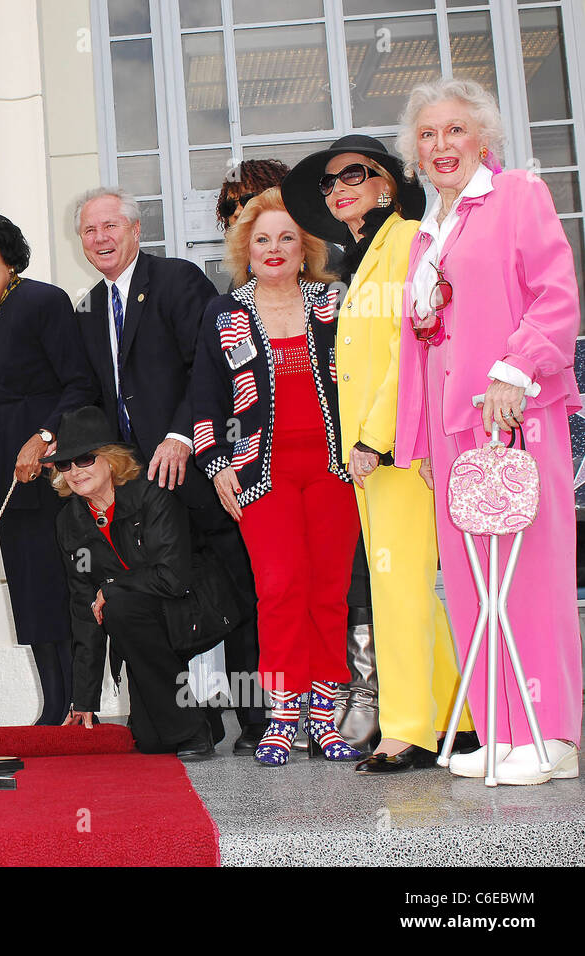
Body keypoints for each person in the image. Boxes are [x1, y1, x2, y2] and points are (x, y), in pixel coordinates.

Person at [394, 79, 582, 785]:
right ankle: (504, 730)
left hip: (515, 414)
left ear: (484, 140)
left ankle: (553, 732)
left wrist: (516, 369)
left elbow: (557, 295)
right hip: (454, 432)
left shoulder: (518, 197)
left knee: (531, 574)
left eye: (454, 131)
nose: (441, 146)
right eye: (427, 134)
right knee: (474, 582)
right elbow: (418, 344)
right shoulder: (427, 230)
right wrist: (417, 442)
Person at [283, 135, 477, 773]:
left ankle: (409, 732)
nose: (339, 188)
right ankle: (458, 720)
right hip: (373, 451)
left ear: (387, 183)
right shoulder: (358, 255)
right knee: (406, 586)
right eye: (329, 183)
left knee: (395, 589)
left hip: (395, 447)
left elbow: (411, 349)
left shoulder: (408, 241)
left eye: (354, 175)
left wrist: (375, 436)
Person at [73, 186, 266, 753]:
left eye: (111, 226)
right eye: (89, 230)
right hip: (138, 486)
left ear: (136, 231)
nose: (101, 238)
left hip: (200, 471)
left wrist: (184, 434)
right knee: (155, 597)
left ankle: (255, 723)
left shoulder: (177, 281)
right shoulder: (87, 307)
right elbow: (92, 395)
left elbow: (210, 369)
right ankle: (187, 722)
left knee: (233, 594)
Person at [190, 187, 361, 767]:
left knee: (329, 592)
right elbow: (206, 396)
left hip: (335, 469)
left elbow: (363, 378)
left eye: (287, 237)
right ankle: (283, 713)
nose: (274, 247)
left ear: (305, 245)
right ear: (246, 247)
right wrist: (217, 466)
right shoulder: (225, 311)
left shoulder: (333, 303)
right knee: (280, 587)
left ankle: (325, 715)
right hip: (261, 472)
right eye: (262, 238)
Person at [0, 208, 97, 725]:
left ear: (8, 258)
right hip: (7, 474)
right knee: (30, 588)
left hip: (51, 472)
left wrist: (45, 437)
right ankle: (52, 705)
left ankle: (80, 703)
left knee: (62, 585)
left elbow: (79, 383)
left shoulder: (42, 301)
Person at [50, 406, 234, 758]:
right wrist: (84, 699)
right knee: (152, 743)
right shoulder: (70, 522)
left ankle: (194, 731)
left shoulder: (151, 495)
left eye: (85, 459)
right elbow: (83, 607)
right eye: (64, 464)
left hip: (191, 610)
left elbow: (174, 578)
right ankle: (201, 718)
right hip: (136, 627)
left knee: (119, 605)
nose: (74, 472)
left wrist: (112, 589)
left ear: (110, 458)